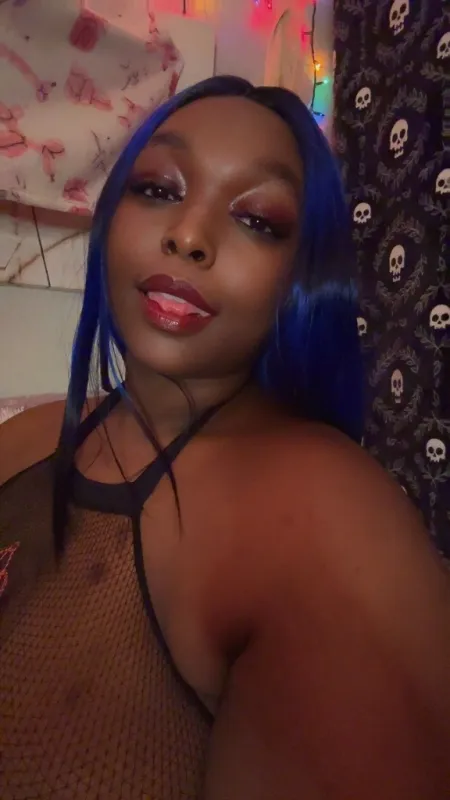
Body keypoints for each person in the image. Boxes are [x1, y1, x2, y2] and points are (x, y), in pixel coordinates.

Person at [0, 76, 449, 800]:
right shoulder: (25, 438)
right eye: (158, 189)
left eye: (258, 219)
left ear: (302, 274)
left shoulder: (327, 519)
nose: (188, 235)